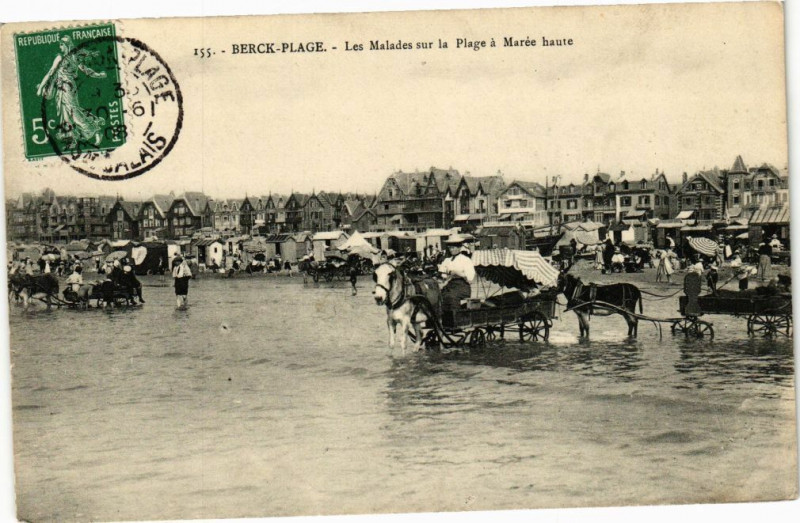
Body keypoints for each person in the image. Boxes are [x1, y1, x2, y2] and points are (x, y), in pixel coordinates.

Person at [438, 235, 476, 311]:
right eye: (450, 247)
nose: (451, 249)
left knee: (451, 297)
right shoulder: (447, 260)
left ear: (459, 248)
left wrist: (457, 273)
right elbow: (442, 274)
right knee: (439, 296)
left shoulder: (465, 260)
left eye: (453, 247)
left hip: (462, 287)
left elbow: (470, 278)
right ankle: (444, 318)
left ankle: (455, 318)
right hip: (449, 285)